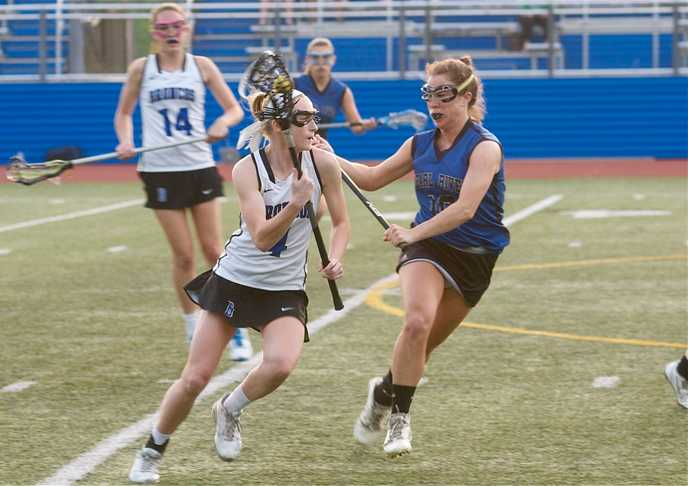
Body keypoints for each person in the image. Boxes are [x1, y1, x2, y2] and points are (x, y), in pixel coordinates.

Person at [128, 88, 350, 483]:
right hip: (235, 279)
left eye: (314, 116)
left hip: (283, 288)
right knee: (195, 377)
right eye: (304, 118)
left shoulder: (323, 162)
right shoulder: (247, 169)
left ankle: (229, 408)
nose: (314, 125)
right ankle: (152, 449)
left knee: (281, 364)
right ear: (279, 126)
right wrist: (297, 204)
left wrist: (336, 255)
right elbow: (263, 237)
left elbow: (341, 219)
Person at [321, 56, 509, 458]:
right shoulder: (419, 143)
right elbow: (370, 178)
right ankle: (399, 420)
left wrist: (411, 231)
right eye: (429, 95)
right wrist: (320, 151)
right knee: (417, 323)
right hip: (429, 249)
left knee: (420, 349)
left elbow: (465, 209)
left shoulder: (486, 147)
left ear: (467, 96)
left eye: (444, 95)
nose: (434, 104)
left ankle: (384, 391)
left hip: (475, 257)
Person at [113, 2, 252, 361]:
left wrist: (223, 124)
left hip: (198, 165)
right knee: (184, 255)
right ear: (154, 32)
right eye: (163, 27)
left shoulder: (202, 66)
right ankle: (192, 324)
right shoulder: (141, 70)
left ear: (187, 28)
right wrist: (125, 140)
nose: (171, 32)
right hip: (159, 170)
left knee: (213, 252)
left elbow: (235, 109)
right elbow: (124, 113)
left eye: (177, 25)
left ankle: (233, 327)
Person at [293, 37, 377, 140]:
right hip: (293, 146)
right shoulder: (295, 85)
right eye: (315, 57)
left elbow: (357, 127)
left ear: (333, 59)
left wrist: (365, 125)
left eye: (326, 57)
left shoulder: (342, 91)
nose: (321, 62)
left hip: (320, 146)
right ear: (307, 59)